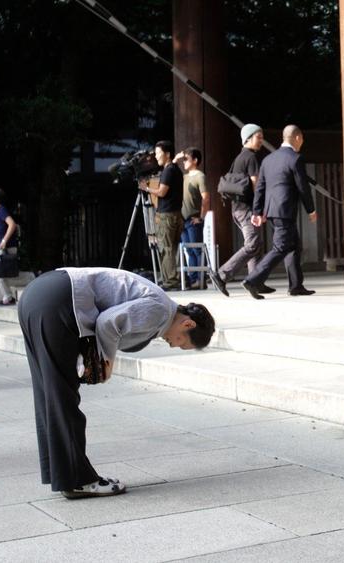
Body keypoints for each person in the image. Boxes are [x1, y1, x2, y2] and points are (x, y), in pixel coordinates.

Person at [17, 267, 214, 498]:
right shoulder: (161, 311)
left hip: (39, 294)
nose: (173, 345)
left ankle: (63, 474)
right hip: (59, 298)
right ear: (188, 325)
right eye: (182, 343)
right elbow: (107, 322)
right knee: (63, 396)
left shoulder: (158, 306)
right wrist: (107, 362)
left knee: (50, 393)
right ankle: (78, 480)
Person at [242, 124, 317, 298]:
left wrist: (257, 212)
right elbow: (302, 187)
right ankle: (253, 279)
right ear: (297, 138)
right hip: (285, 210)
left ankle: (296, 285)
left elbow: (260, 188)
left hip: (271, 210)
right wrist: (311, 210)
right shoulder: (295, 159)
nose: (302, 143)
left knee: (294, 246)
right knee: (281, 247)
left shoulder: (268, 159)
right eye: (302, 139)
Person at [212, 124, 268, 297]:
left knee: (255, 244)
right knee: (252, 245)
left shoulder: (238, 158)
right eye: (258, 137)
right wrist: (260, 209)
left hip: (237, 209)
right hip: (247, 209)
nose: (261, 140)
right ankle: (221, 275)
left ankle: (255, 282)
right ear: (248, 138)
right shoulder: (251, 158)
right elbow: (256, 184)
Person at [141, 141, 184, 290]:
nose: (156, 156)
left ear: (167, 154)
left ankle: (170, 281)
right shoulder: (176, 170)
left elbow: (162, 192)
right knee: (171, 248)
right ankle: (171, 279)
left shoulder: (168, 170)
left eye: (158, 153)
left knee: (166, 249)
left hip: (166, 215)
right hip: (176, 214)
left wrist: (146, 188)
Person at [178, 148, 210, 288]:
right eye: (183, 159)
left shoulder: (199, 176)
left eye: (186, 159)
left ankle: (200, 279)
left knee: (196, 249)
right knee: (188, 250)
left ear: (195, 160)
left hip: (193, 218)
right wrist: (176, 159)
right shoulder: (184, 177)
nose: (184, 162)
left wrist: (201, 217)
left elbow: (206, 197)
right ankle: (193, 279)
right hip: (182, 219)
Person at [0, 187, 20, 305]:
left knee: (0, 273)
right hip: (3, 247)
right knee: (4, 273)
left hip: (6, 247)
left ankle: (8, 297)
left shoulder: (2, 211)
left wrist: (4, 240)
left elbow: (12, 224)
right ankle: (8, 297)